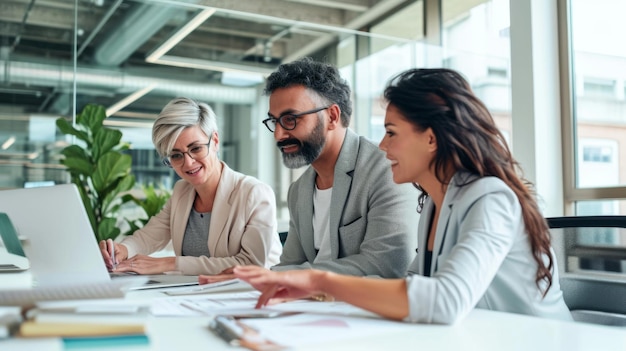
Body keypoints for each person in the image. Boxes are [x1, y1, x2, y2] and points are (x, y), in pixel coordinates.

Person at [233, 68, 573, 324]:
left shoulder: (490, 197)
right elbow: (412, 285)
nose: (382, 146)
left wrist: (320, 280)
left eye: (392, 133)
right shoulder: (433, 202)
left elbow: (444, 300)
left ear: (431, 138)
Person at [199, 57, 418, 284]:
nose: (279, 135)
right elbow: (290, 265)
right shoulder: (299, 190)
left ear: (332, 116)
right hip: (312, 307)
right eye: (275, 122)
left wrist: (276, 276)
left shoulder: (387, 170)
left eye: (291, 119)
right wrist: (252, 277)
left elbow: (387, 266)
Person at [99, 97, 282, 275]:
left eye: (195, 149)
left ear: (215, 141)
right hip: (194, 296)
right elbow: (151, 235)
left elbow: (251, 264)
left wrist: (170, 263)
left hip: (252, 297)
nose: (188, 163)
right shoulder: (182, 191)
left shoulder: (253, 193)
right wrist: (122, 249)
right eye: (176, 155)